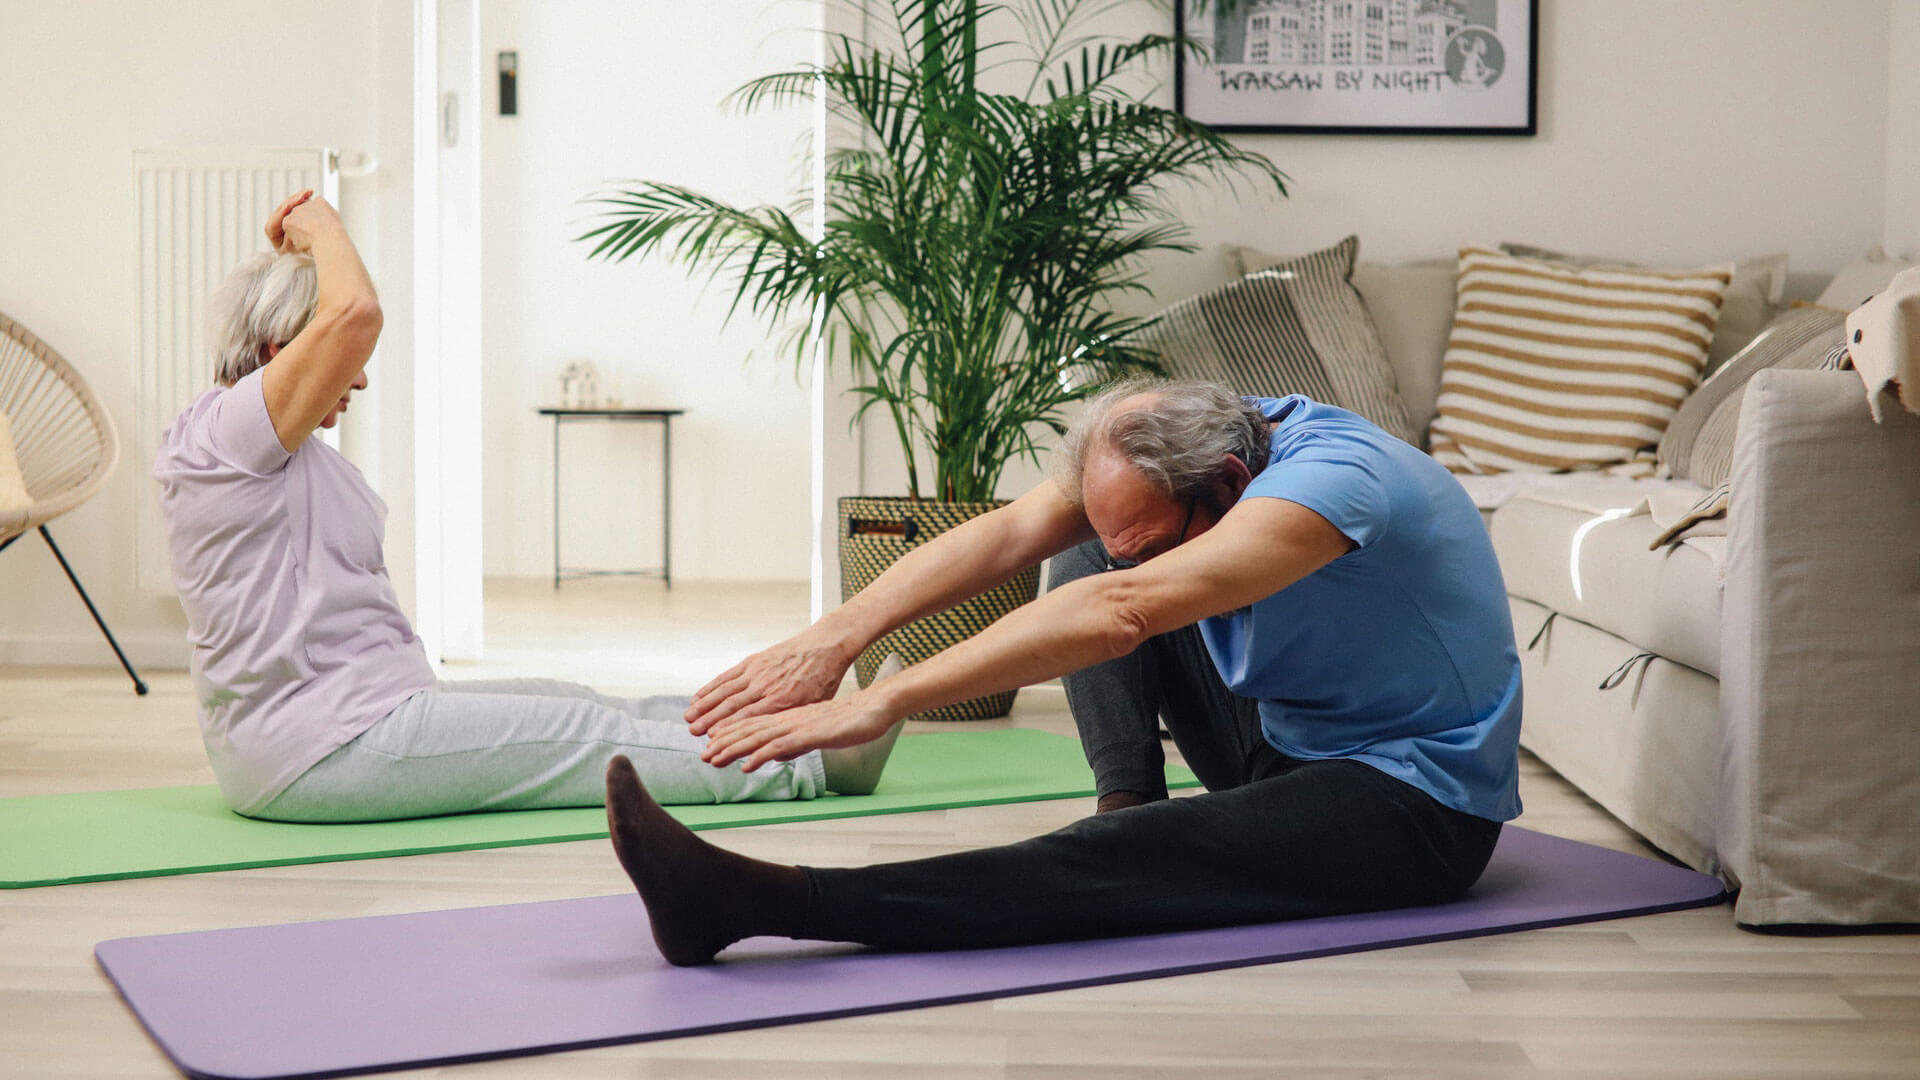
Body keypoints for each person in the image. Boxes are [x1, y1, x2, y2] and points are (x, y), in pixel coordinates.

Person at [604, 378, 1522, 965]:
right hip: (1281, 733)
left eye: (1158, 535)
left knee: (1112, 595)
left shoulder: (1336, 480)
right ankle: (1130, 811)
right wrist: (836, 637)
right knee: (1092, 558)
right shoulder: (1177, 442)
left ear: (1232, 482)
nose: (1133, 549)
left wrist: (884, 700)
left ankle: (756, 902)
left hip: (1412, 801)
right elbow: (1008, 534)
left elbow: (1122, 615)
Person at [153, 190, 899, 823]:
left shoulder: (266, 447)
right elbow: (355, 313)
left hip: (354, 719)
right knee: (578, 734)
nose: (360, 381)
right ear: (280, 349)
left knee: (573, 698)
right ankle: (814, 768)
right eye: (342, 364)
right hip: (318, 747)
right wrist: (320, 224)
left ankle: (780, 723)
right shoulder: (228, 436)